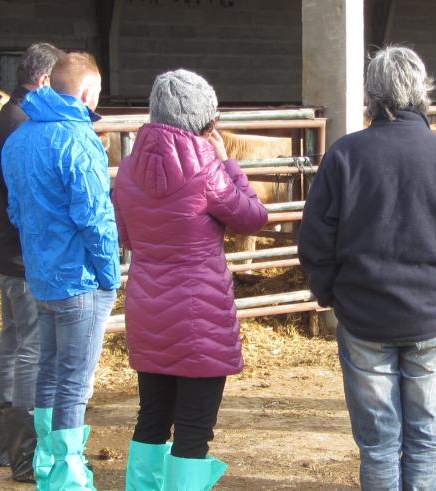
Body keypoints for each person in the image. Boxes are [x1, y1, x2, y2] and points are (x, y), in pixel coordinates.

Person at [299, 46, 436, 490]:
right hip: (435, 313)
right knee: (425, 437)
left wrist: (330, 292)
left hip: (365, 314)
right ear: (423, 91)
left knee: (379, 442)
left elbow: (315, 238)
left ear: (372, 95)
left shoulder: (345, 155)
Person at [114, 69, 268, 491]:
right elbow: (253, 217)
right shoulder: (208, 171)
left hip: (148, 311)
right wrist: (229, 164)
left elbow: (126, 236)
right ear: (207, 124)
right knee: (194, 430)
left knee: (151, 419)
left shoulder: (127, 171)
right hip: (200, 317)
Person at [2, 52, 121, 490]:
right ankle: (68, 476)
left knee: (49, 371)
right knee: (76, 380)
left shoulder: (20, 137)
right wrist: (111, 272)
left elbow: (16, 210)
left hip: (41, 275)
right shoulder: (79, 137)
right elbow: (95, 215)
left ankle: (48, 464)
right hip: (80, 277)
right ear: (87, 93)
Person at [0, 41, 64, 482]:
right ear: (45, 80)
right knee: (29, 349)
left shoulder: (7, 117)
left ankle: (4, 446)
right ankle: (23, 452)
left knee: (13, 345)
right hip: (21, 253)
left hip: (4, 248)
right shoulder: (21, 123)